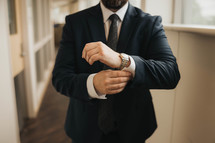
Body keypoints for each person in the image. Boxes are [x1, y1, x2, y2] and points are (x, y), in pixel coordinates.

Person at [52, 0, 180, 143]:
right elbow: (59, 77)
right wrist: (92, 84)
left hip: (134, 127)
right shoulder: (75, 22)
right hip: (84, 127)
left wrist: (121, 61)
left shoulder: (150, 23)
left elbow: (170, 73)